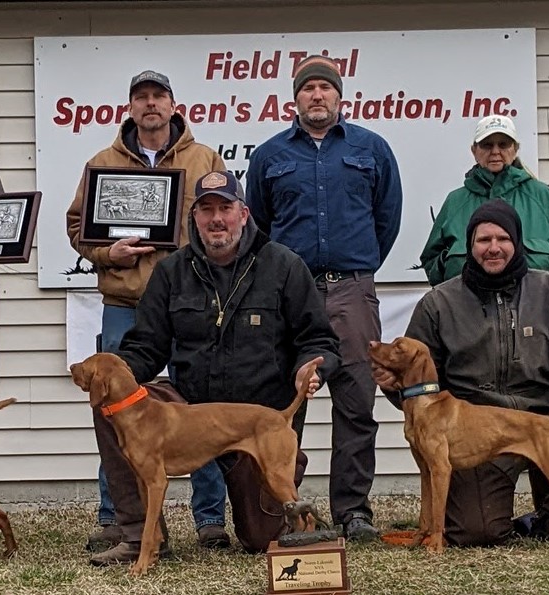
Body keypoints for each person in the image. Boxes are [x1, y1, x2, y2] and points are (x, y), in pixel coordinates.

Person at [91, 170, 340, 565]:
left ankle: (287, 476)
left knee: (262, 539)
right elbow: (147, 346)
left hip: (256, 417)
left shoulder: (284, 266)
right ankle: (141, 536)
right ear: (195, 219)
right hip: (187, 410)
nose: (216, 219)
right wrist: (115, 374)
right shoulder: (172, 271)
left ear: (244, 213)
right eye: (206, 210)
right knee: (111, 407)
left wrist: (310, 368)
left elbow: (319, 339)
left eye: (225, 207)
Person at [373, 200, 549, 546]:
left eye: (502, 238)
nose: (493, 248)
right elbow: (418, 376)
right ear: (469, 246)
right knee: (477, 531)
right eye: (483, 240)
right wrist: (392, 384)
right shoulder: (439, 303)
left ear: (517, 242)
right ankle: (506, 509)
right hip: (480, 430)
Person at [64, 70, 231, 552]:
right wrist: (105, 254)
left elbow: (224, 222)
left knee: (197, 409)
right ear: (131, 107)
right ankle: (117, 517)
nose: (151, 104)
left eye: (159, 96)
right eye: (142, 97)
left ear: (174, 105)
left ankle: (209, 520)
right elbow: (78, 225)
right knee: (112, 408)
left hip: (189, 302)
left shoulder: (205, 159)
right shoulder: (102, 162)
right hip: (124, 304)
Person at [245, 55, 403, 541]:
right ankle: (285, 509)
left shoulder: (371, 148)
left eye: (325, 88)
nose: (317, 96)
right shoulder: (270, 156)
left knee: (355, 401)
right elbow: (261, 224)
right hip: (289, 294)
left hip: (352, 290)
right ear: (294, 99)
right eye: (307, 88)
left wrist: (356, 266)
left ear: (340, 97)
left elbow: (387, 219)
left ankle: (353, 511)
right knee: (287, 404)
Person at [421, 114, 549, 286]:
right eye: (487, 145)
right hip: (468, 308)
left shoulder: (542, 196)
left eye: (503, 144)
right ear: (474, 151)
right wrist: (452, 273)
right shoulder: (455, 201)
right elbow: (431, 260)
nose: (495, 151)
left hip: (532, 307)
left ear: (515, 149)